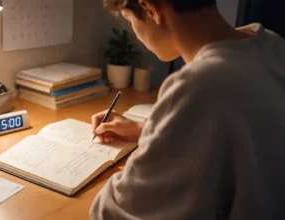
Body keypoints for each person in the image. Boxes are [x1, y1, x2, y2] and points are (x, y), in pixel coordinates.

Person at [90, 0, 285, 219]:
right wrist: (146, 128)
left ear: (150, 9)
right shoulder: (271, 43)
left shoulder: (201, 84)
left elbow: (114, 213)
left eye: (129, 19)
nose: (135, 32)